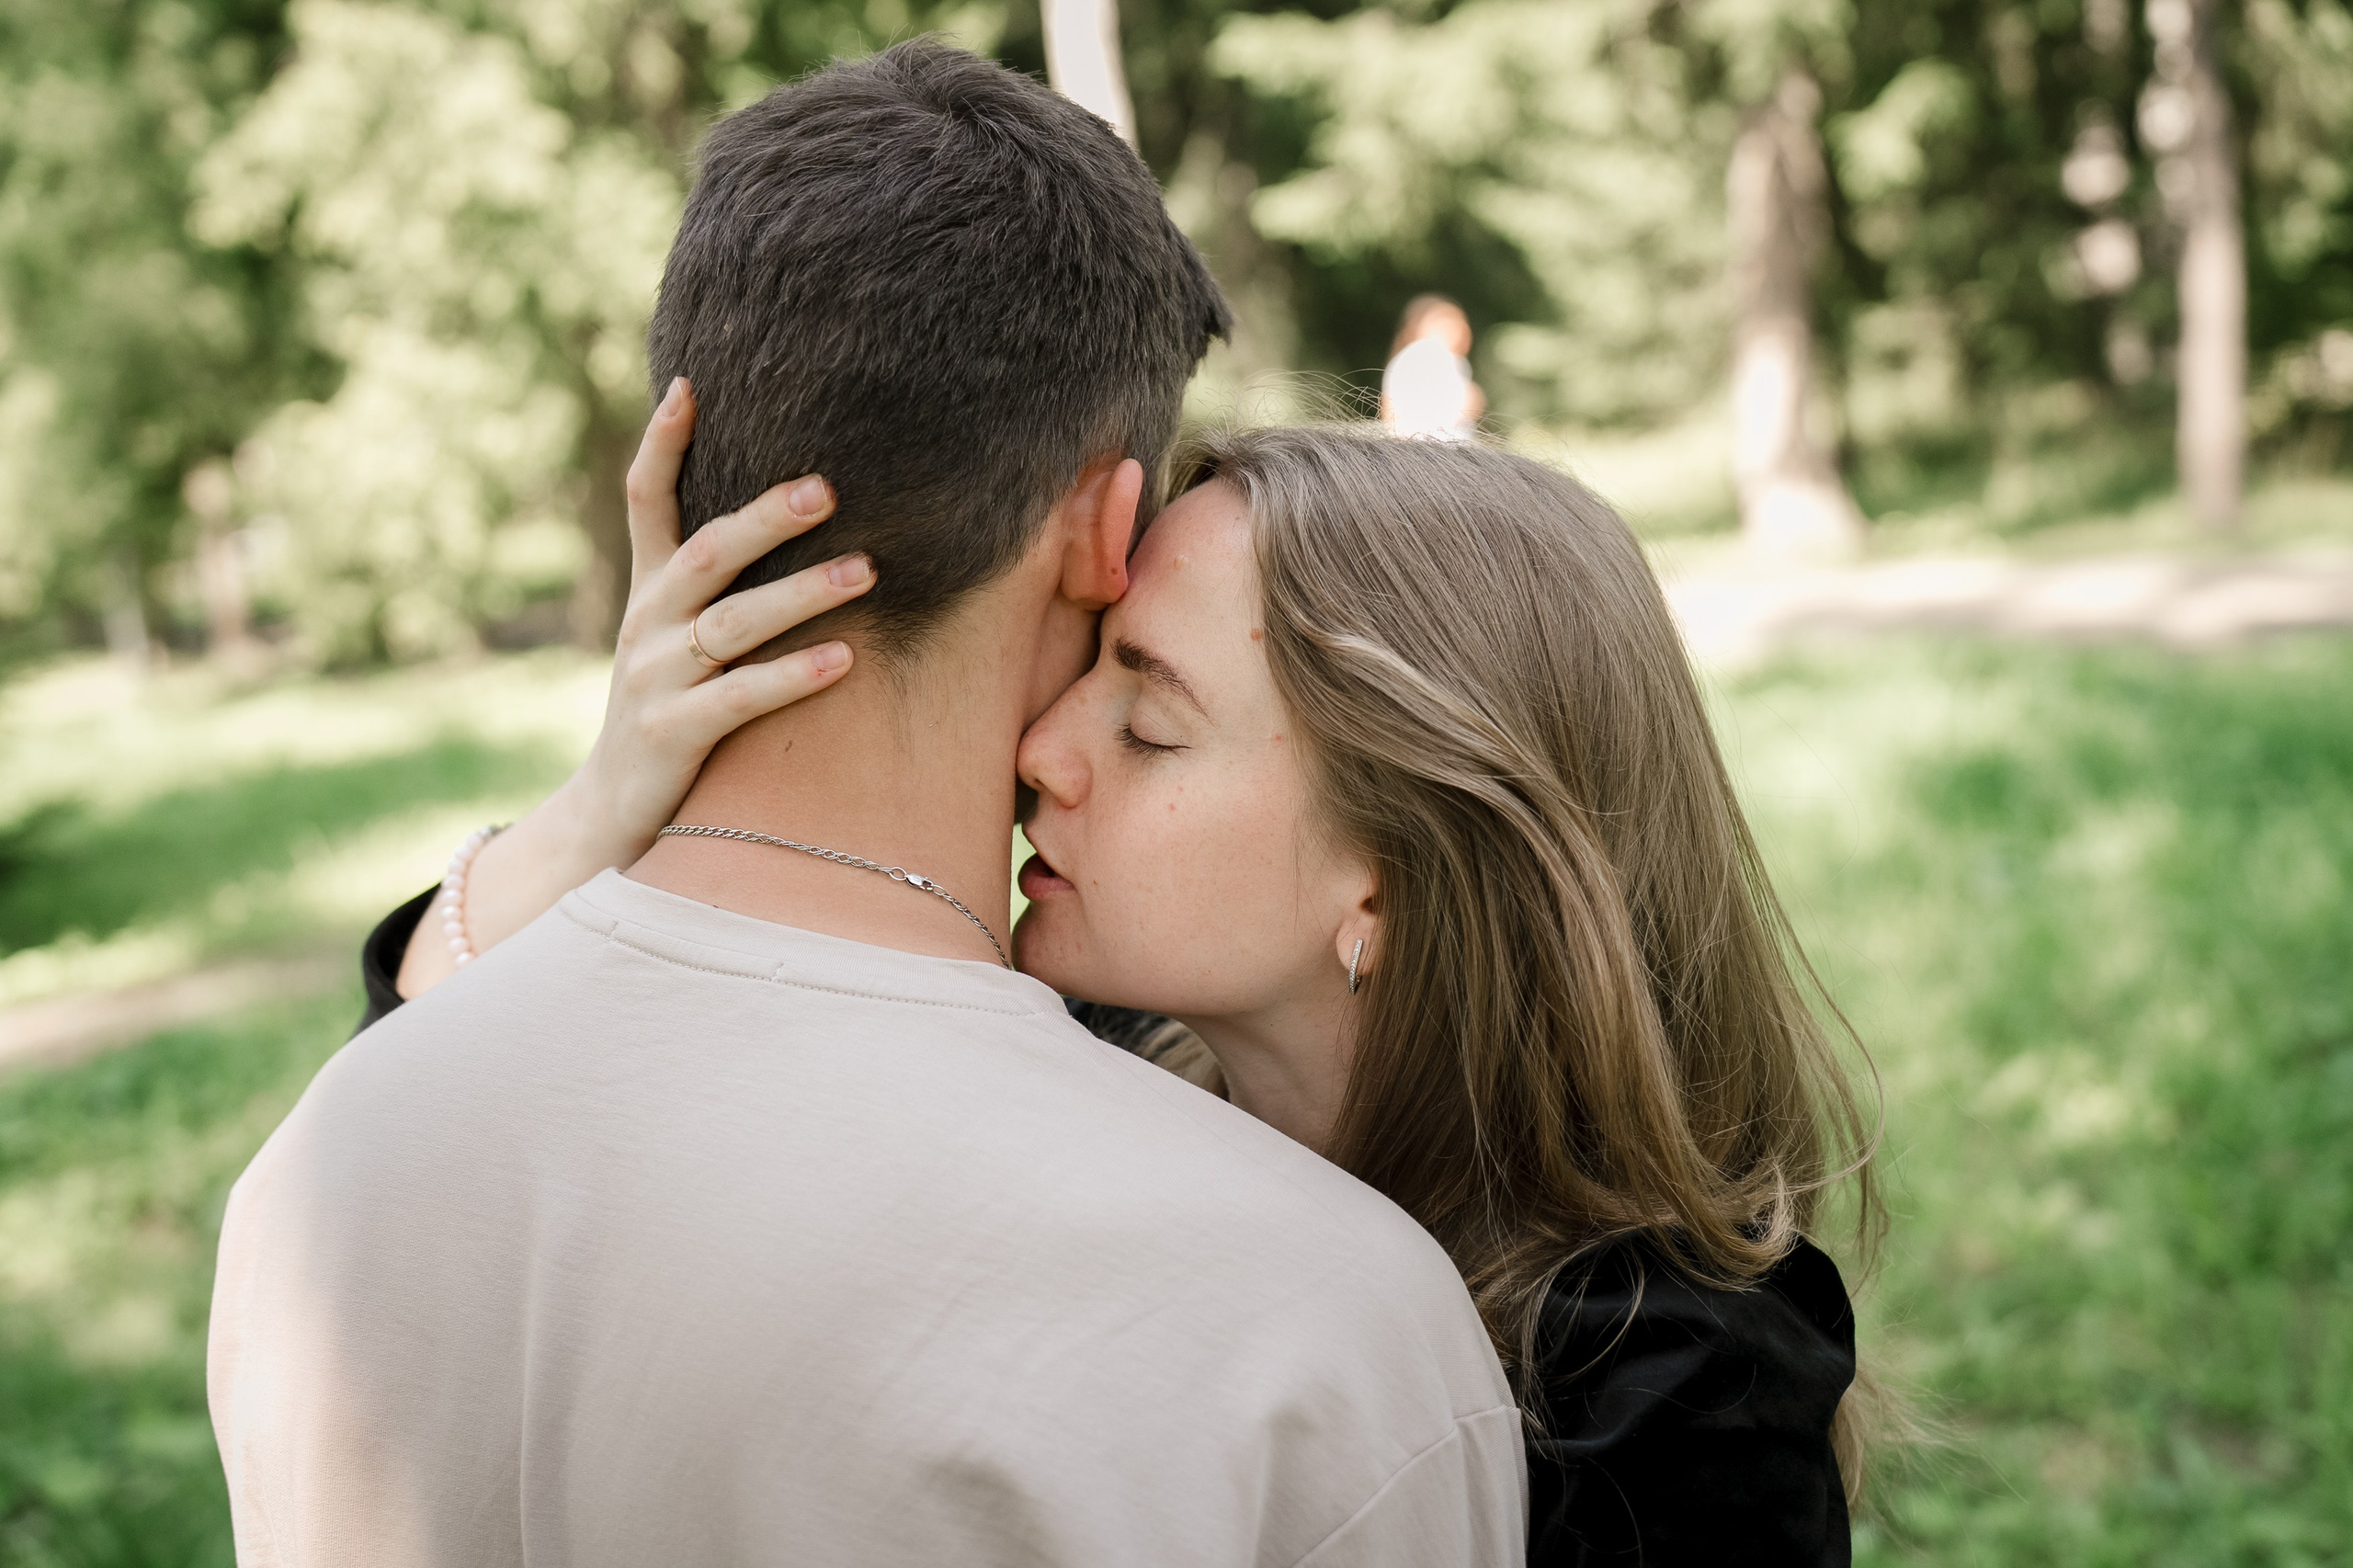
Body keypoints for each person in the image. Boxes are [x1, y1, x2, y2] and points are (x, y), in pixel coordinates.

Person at [209, 43, 1528, 1568]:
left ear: (692, 466)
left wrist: (593, 813)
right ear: (1108, 528)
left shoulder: (321, 1176)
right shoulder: (1316, 1333)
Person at [363, 410, 1882, 1564]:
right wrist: (600, 803)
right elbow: (448, 1064)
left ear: (1396, 877)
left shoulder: (1673, 1393)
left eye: (1148, 724)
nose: (1042, 753)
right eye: (1088, 663)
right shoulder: (1087, 1068)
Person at [1379, 294, 1483, 441]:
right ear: (1415, 328)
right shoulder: (1425, 354)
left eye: (1460, 322)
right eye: (1445, 323)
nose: (1457, 329)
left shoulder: (1449, 360)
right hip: (1434, 448)